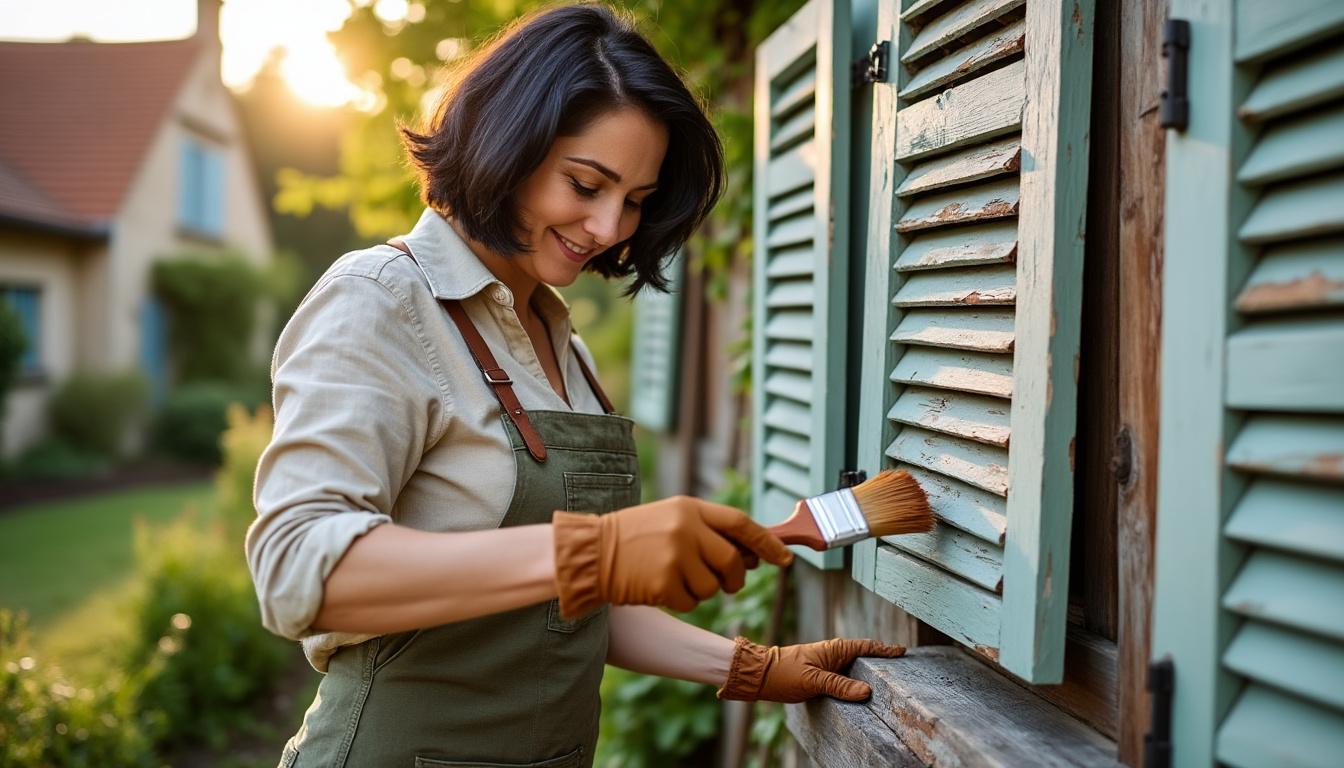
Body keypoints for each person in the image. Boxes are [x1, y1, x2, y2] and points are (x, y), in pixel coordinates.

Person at [246, 4, 904, 767]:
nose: (608, 227)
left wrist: (751, 668)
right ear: (507, 140)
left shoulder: (564, 346)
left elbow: (561, 609)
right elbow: (297, 569)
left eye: (636, 200)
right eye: (586, 183)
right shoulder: (382, 300)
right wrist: (597, 550)